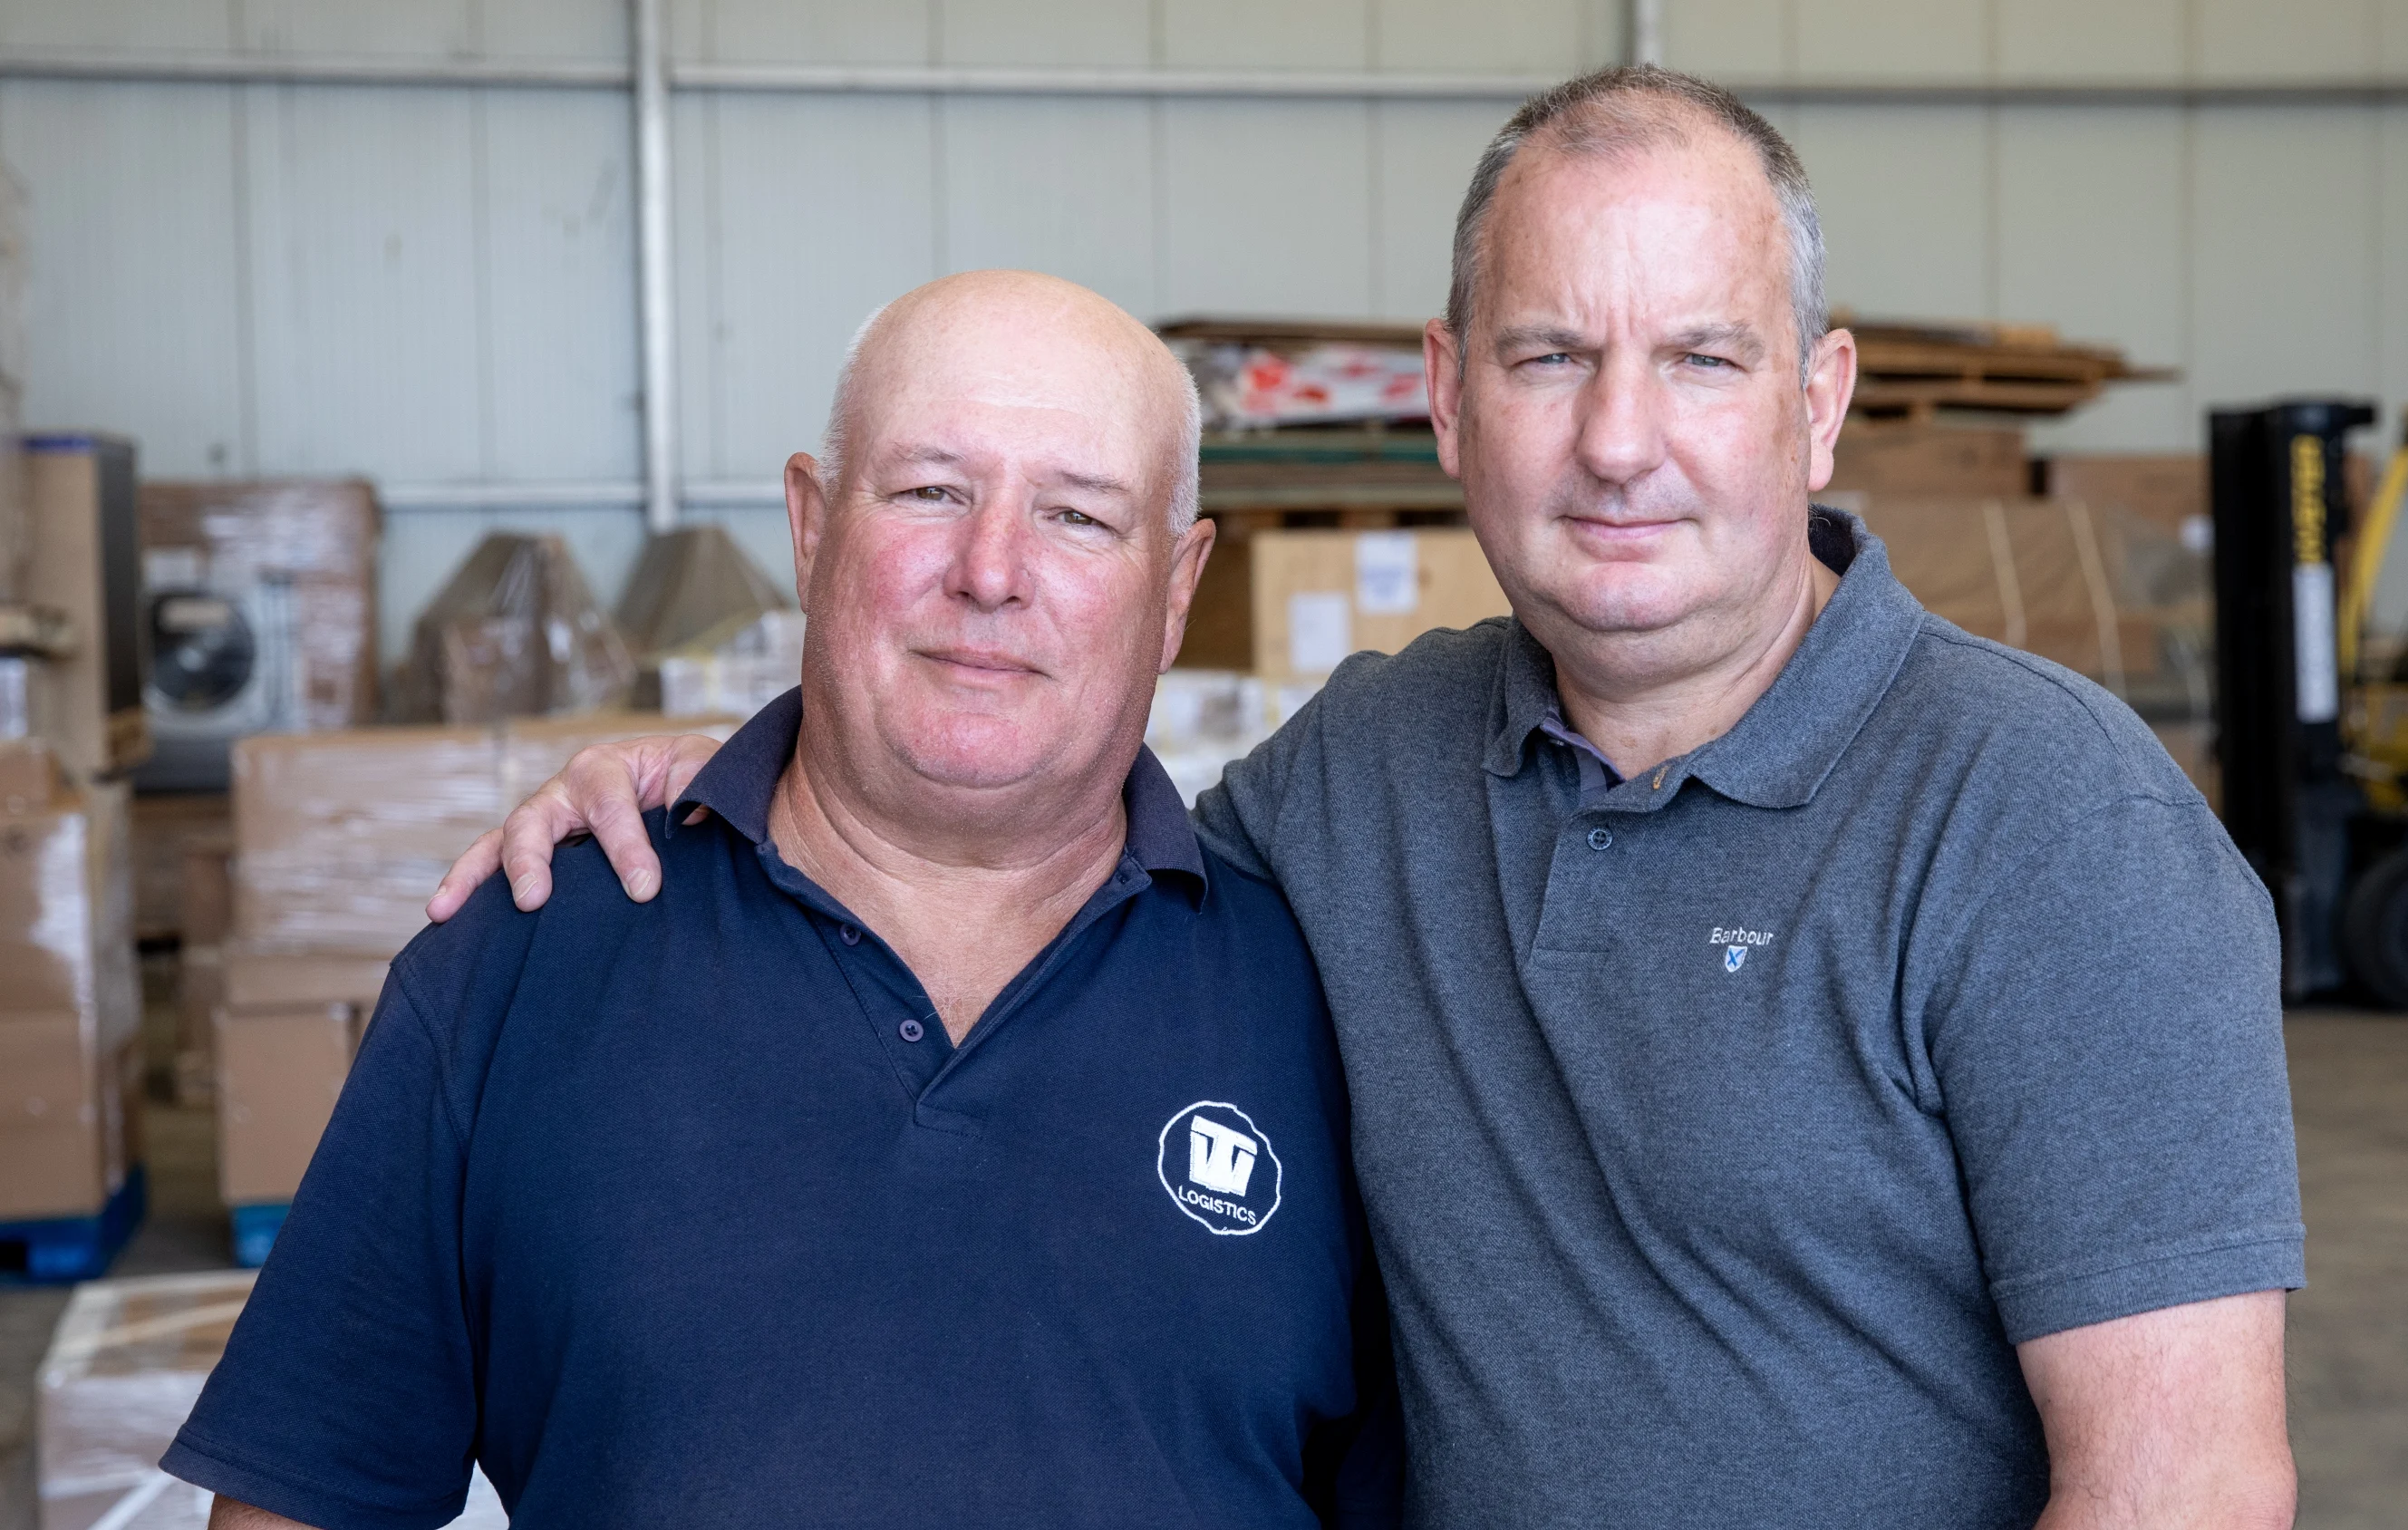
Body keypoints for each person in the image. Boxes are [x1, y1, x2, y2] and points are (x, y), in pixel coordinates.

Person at [433, 67, 2303, 1530]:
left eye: (1701, 360)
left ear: (1817, 405)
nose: (1619, 440)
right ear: (1446, 398)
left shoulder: (2048, 829)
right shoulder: (1364, 775)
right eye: (1550, 354)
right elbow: (1031, 831)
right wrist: (725, 781)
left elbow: (2189, 1487)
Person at [167, 272, 1400, 1530]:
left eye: (1078, 517)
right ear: (812, 528)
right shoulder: (526, 957)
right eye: (931, 491)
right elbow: (304, 1500)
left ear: (1178, 587)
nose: (991, 571)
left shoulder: (1328, 1001)